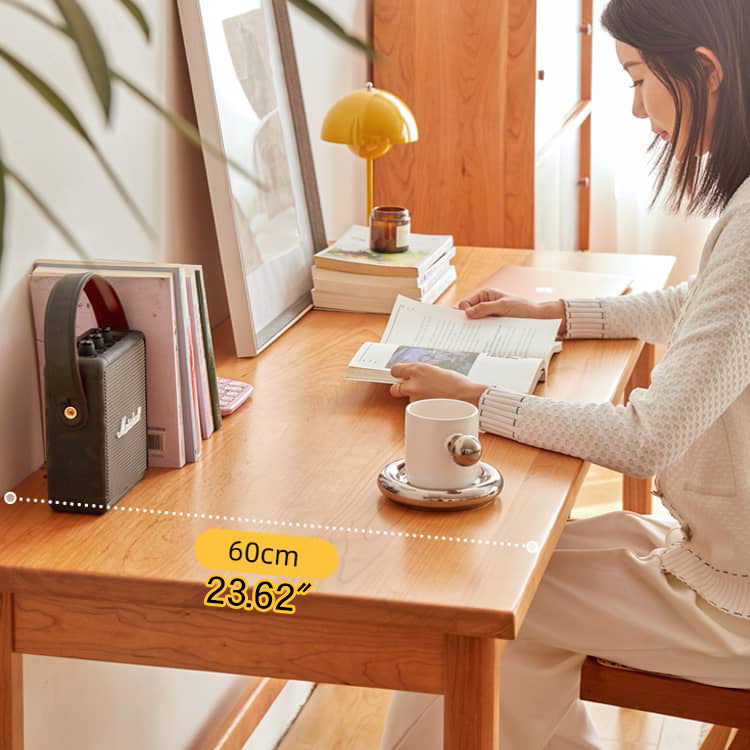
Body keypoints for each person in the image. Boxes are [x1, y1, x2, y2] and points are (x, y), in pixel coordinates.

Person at [379, 1, 750, 747]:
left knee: (477, 592)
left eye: (640, 80)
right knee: (501, 567)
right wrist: (560, 310)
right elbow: (701, 306)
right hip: (722, 561)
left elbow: (647, 440)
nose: (640, 111)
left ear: (705, 72)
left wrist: (476, 399)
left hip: (734, 605)